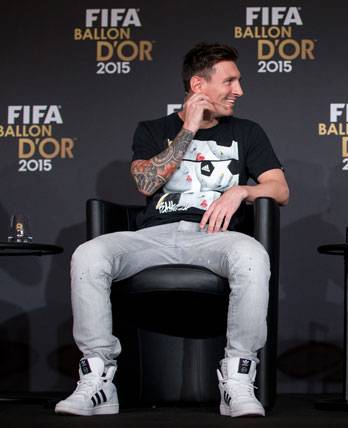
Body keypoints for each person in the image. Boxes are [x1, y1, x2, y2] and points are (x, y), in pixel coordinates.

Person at [55, 42, 289, 417]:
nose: (239, 90)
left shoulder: (248, 132)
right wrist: (189, 129)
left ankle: (238, 379)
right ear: (199, 85)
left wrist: (242, 189)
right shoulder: (152, 129)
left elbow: (280, 189)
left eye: (238, 81)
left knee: (251, 255)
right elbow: (146, 185)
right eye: (229, 81)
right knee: (89, 254)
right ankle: (97, 378)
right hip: (154, 237)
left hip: (216, 239)